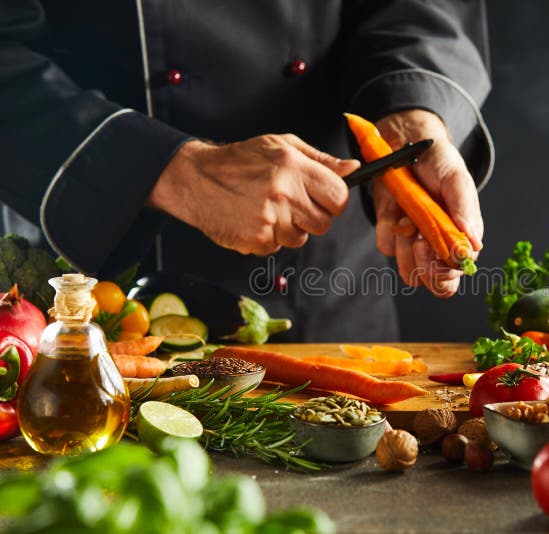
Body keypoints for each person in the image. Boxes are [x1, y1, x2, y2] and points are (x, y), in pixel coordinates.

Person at [0, 0, 494, 341]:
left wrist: (411, 117)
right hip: (96, 298)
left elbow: (417, 10)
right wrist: (172, 170)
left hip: (325, 294)